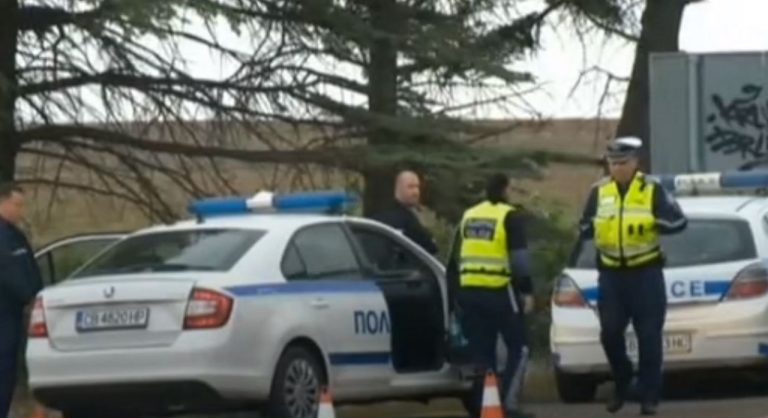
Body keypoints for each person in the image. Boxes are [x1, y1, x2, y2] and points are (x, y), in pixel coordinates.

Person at [578, 136, 687, 416]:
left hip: (645, 273)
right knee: (609, 333)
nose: (617, 168)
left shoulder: (652, 188)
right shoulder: (599, 192)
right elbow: (584, 227)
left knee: (649, 337)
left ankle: (649, 396)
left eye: (623, 163)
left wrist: (652, 222)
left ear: (635, 163)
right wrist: (592, 229)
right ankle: (623, 378)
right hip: (612, 275)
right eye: (612, 163)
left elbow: (678, 221)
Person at [446, 172, 535, 418]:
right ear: (505, 190)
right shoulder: (509, 216)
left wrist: (455, 295)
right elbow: (520, 261)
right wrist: (527, 291)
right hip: (499, 291)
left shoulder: (469, 215)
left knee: (483, 353)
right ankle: (508, 404)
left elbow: (452, 259)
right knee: (520, 347)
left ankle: (485, 405)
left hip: (469, 293)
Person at [0, 183, 43, 418]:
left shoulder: (15, 235)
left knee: (11, 372)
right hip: (4, 315)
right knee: (4, 369)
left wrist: (39, 294)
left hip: (15, 316)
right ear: (2, 202)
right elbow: (9, 274)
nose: (20, 210)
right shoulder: (3, 237)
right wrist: (29, 296)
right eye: (16, 204)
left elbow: (30, 269)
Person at [371, 170, 439, 255]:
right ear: (399, 188)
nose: (416, 192)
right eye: (410, 187)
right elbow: (430, 247)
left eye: (417, 187)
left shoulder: (412, 215)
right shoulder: (391, 216)